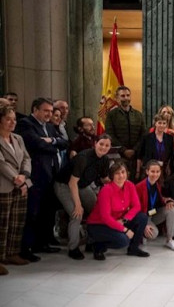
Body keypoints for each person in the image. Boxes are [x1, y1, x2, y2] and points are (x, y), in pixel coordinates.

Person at [16, 98, 69, 260]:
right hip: (36, 176)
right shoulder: (26, 124)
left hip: (51, 175)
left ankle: (42, 243)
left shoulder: (48, 127)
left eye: (51, 111)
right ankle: (26, 248)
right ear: (35, 109)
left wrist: (52, 141)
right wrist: (52, 145)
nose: (49, 114)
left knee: (47, 212)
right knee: (32, 213)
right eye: (46, 111)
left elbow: (65, 143)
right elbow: (35, 144)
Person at [54, 134, 112, 260]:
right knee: (77, 214)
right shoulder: (83, 157)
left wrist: (119, 183)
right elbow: (72, 183)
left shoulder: (105, 160)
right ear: (95, 143)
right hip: (65, 184)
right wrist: (78, 205)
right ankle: (73, 247)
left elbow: (104, 179)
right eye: (101, 144)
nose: (103, 147)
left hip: (83, 185)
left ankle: (91, 242)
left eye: (107, 145)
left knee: (97, 211)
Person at [86, 162, 149, 260]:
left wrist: (124, 220)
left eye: (123, 172)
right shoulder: (106, 190)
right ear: (112, 176)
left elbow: (137, 206)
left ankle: (134, 249)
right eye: (117, 173)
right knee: (123, 240)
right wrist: (125, 229)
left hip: (119, 220)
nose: (121, 175)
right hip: (99, 225)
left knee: (142, 217)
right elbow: (105, 217)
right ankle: (98, 245)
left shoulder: (130, 185)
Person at [0, 105, 32, 274]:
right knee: (2, 223)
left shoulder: (18, 138)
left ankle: (12, 253)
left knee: (16, 221)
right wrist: (16, 178)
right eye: (8, 119)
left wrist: (24, 176)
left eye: (14, 119)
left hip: (21, 184)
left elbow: (27, 158)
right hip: (4, 185)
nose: (12, 122)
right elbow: (1, 164)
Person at [104, 86, 146, 180]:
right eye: (123, 96)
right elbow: (110, 134)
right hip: (119, 155)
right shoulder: (111, 115)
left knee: (136, 181)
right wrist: (124, 150)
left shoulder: (138, 115)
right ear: (117, 98)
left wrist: (134, 149)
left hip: (136, 156)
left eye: (128, 95)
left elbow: (143, 134)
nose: (126, 98)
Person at [136, 161, 174, 251]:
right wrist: (143, 224)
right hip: (143, 217)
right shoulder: (139, 187)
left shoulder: (157, 184)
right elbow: (135, 208)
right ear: (147, 172)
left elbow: (158, 199)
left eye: (157, 172)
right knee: (154, 234)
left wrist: (167, 201)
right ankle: (141, 232)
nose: (155, 174)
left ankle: (170, 239)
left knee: (171, 209)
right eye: (152, 171)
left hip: (153, 213)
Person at [137, 114, 174, 179]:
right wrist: (138, 171)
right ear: (155, 123)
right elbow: (139, 155)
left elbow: (171, 155)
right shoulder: (146, 137)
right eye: (159, 123)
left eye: (164, 123)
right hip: (149, 170)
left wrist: (169, 167)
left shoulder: (169, 138)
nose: (162, 125)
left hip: (164, 171)